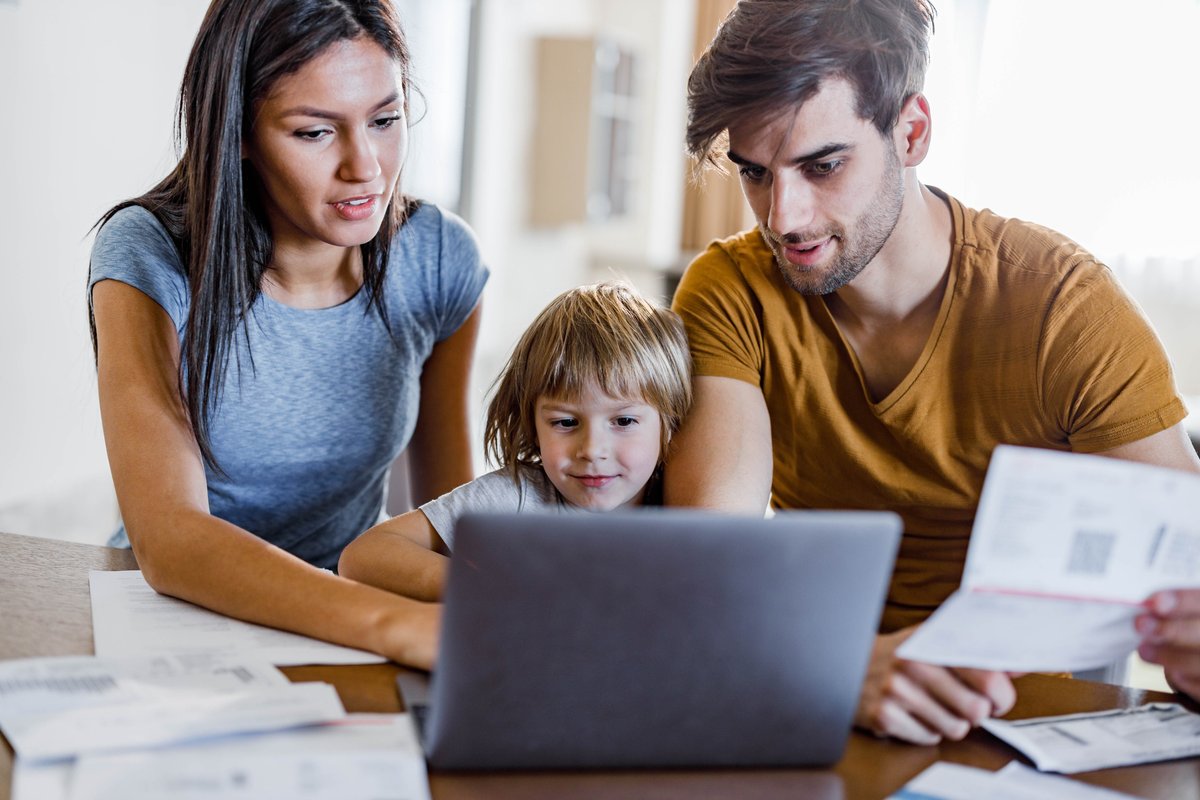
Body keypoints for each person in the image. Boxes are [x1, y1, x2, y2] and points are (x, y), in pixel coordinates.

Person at [668, 0, 1200, 746]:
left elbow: (1181, 563)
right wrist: (832, 665)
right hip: (817, 692)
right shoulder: (731, 290)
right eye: (754, 173)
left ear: (911, 132)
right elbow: (705, 565)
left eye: (822, 166)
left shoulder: (1062, 306)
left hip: (1033, 727)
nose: (783, 217)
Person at [87, 0, 487, 669]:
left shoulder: (440, 260)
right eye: (314, 133)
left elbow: (447, 519)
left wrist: (501, 600)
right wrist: (394, 624)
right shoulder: (148, 253)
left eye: (385, 120)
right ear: (238, 130)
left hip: (347, 630)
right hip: (171, 621)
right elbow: (171, 540)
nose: (366, 168)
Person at [339, 282, 693, 603]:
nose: (592, 450)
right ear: (533, 424)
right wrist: (499, 586)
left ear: (669, 420)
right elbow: (364, 556)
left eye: (624, 421)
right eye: (566, 422)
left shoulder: (690, 502)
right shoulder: (518, 496)